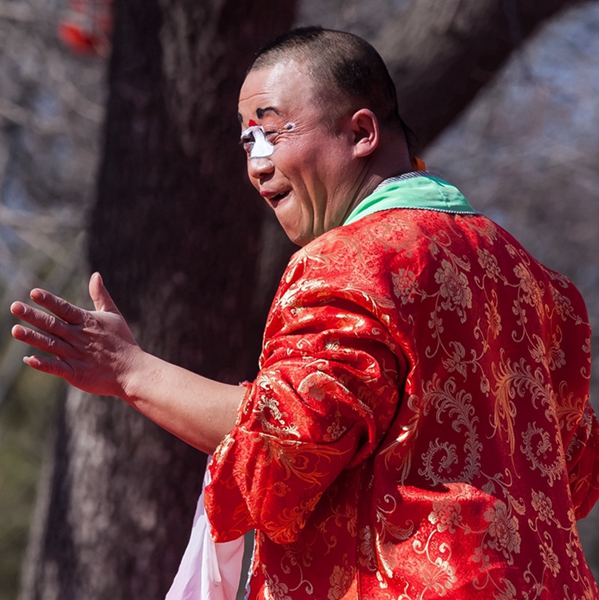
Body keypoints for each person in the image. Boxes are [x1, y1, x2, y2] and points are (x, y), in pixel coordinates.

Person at [10, 26, 599, 600]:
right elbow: (576, 477)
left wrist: (130, 371)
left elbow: (285, 443)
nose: (257, 165)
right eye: (247, 143)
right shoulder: (543, 288)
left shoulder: (352, 261)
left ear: (361, 132)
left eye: (271, 133)